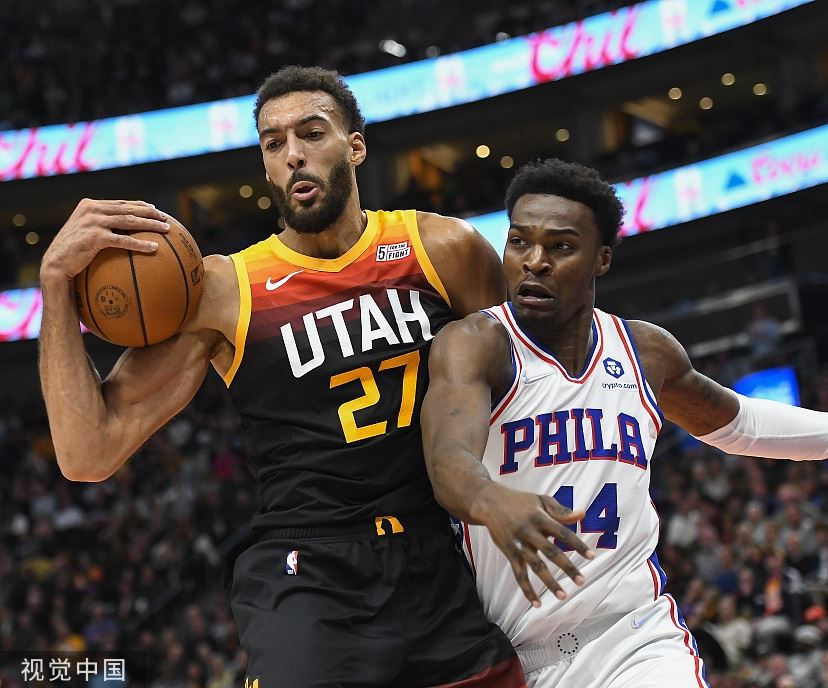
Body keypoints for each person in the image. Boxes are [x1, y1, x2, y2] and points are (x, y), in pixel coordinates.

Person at [419, 159, 828, 687]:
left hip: (634, 636)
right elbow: (449, 461)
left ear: (602, 258)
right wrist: (492, 500)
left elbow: (749, 424)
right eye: (519, 242)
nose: (535, 262)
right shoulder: (477, 344)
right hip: (517, 659)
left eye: (560, 247)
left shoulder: (645, 353)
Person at [38, 65, 525, 687]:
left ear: (355, 146)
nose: (293, 154)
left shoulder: (442, 249)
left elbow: (526, 394)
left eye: (312, 134)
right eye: (274, 143)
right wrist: (55, 287)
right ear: (266, 166)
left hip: (439, 559)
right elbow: (87, 451)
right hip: (310, 571)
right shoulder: (227, 289)